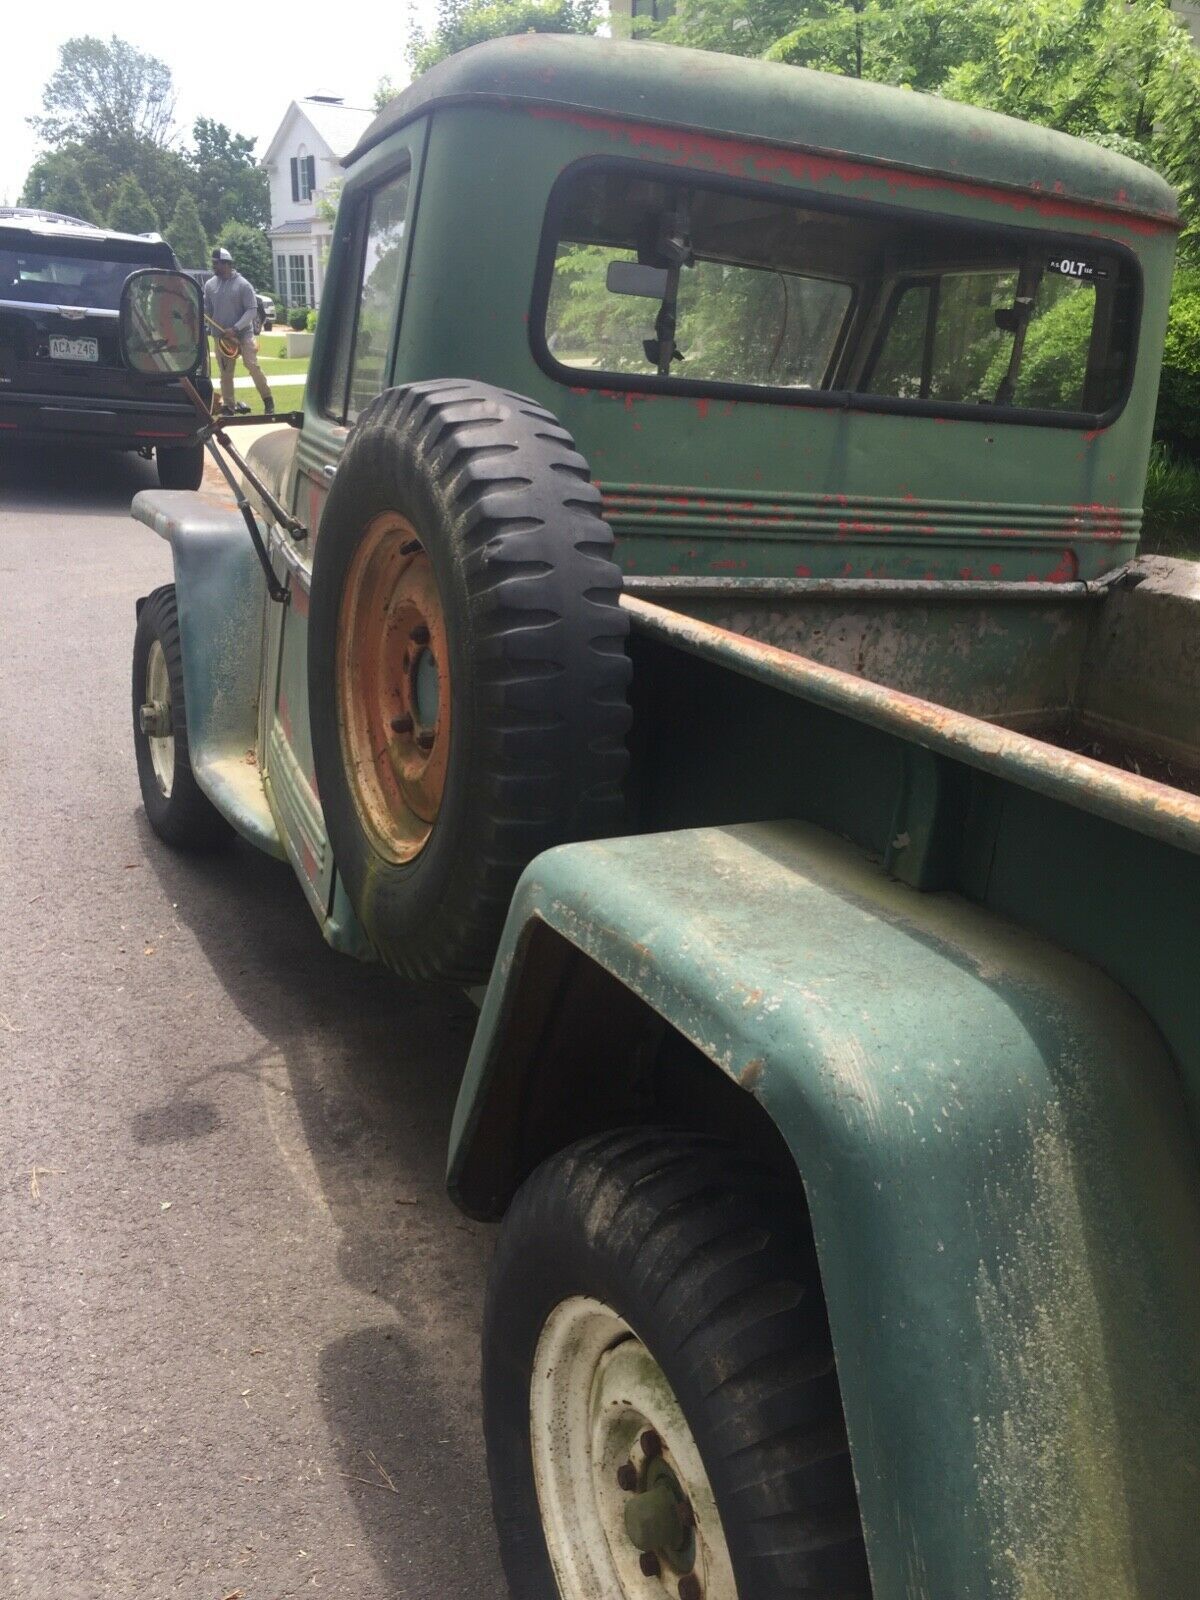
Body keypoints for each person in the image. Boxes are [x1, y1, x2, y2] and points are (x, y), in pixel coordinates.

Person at [204, 247, 274, 416]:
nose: (213, 266)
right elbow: (208, 309)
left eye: (216, 263)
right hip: (222, 338)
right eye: (213, 263)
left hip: (244, 335)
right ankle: (229, 407)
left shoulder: (243, 285)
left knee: (252, 366)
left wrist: (235, 328)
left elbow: (251, 310)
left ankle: (268, 400)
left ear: (226, 264)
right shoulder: (209, 285)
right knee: (225, 373)